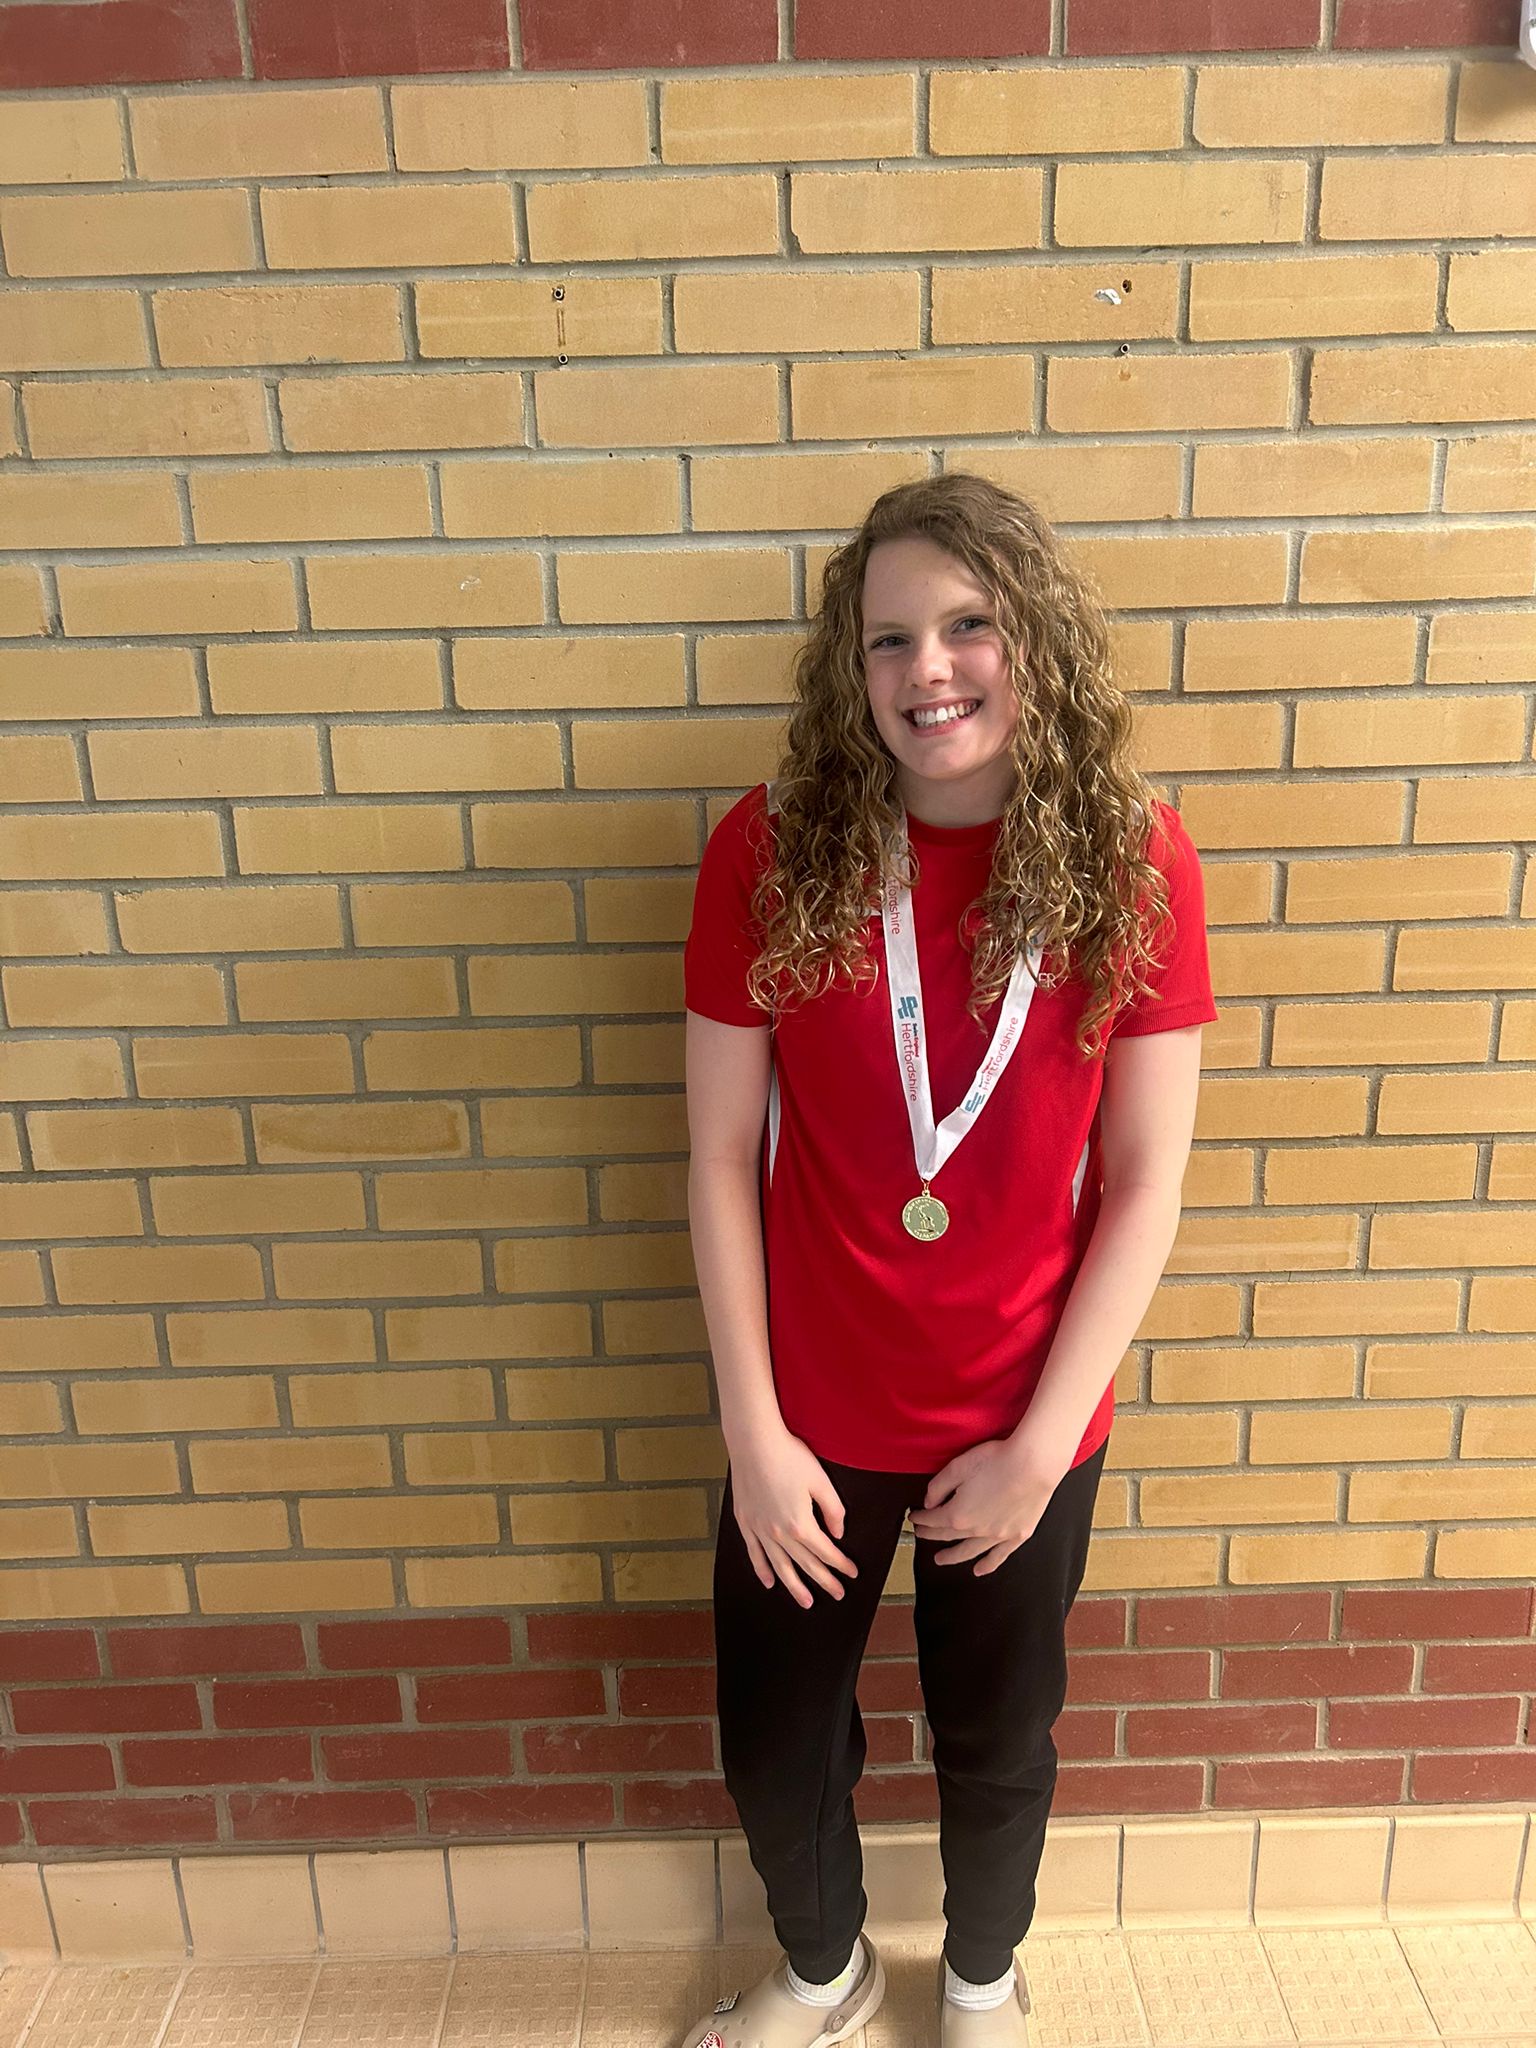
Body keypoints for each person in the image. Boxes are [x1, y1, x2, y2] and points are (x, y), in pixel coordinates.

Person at [678, 472, 1218, 2048]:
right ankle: (825, 1972)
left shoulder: (1136, 863)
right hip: (810, 1416)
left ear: (1035, 639)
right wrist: (754, 1433)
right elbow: (717, 1158)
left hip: (1022, 1411)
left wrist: (1041, 1450)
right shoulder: (774, 852)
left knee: (998, 1738)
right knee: (778, 1742)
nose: (930, 670)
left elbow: (1145, 1180)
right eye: (889, 638)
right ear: (848, 670)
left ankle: (981, 1977)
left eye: (971, 625)